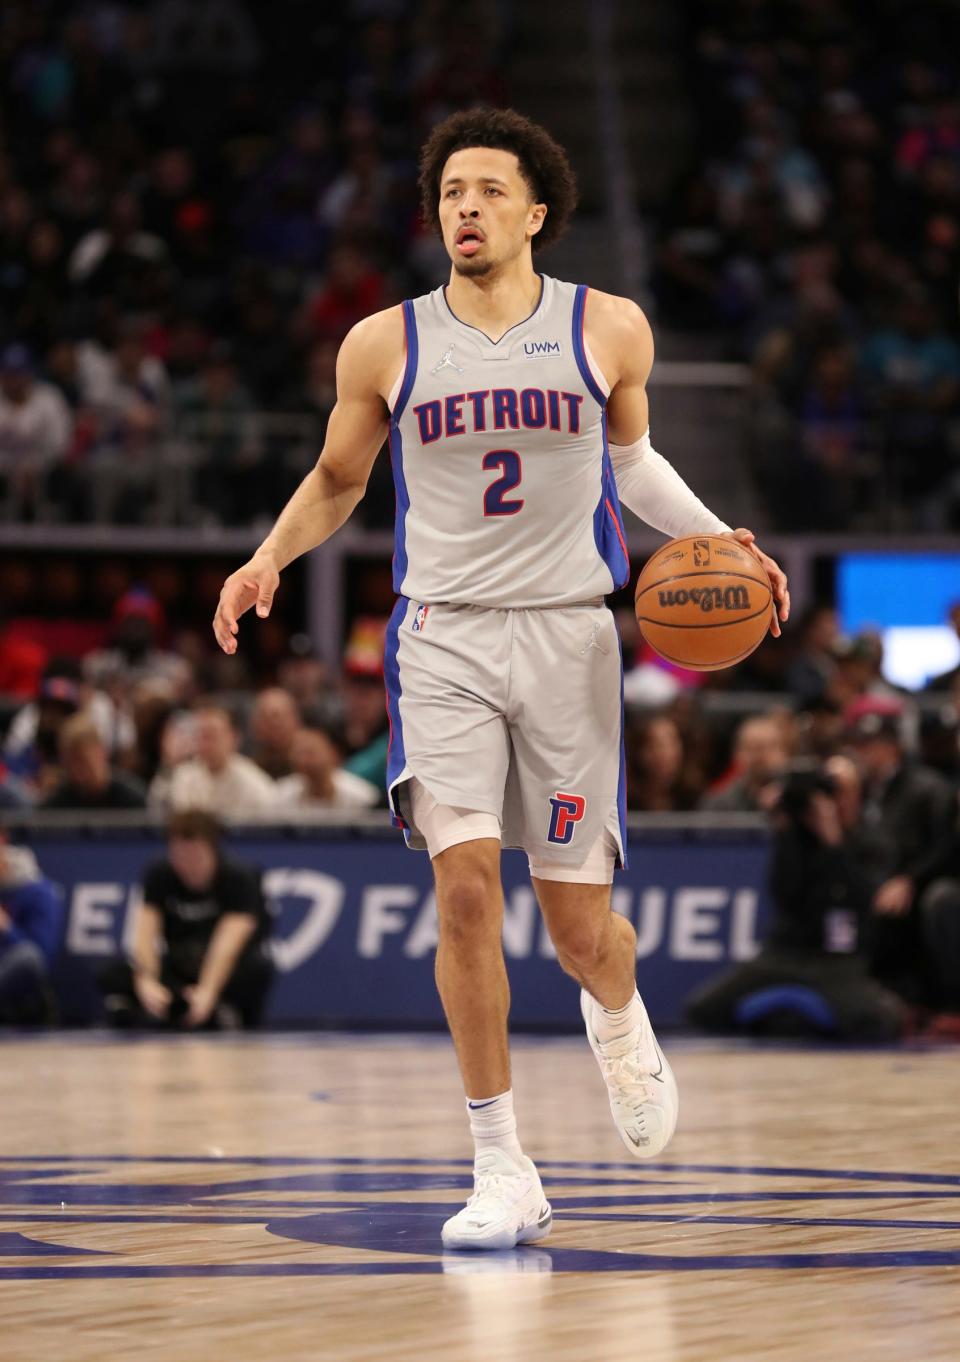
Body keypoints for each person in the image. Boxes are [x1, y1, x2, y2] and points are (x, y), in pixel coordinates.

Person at [212, 107, 789, 1251]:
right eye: (447, 194)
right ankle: (500, 1164)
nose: (462, 208)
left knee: (582, 935)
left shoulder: (609, 328)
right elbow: (337, 477)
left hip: (571, 637)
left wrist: (729, 537)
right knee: (466, 889)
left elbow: (632, 465)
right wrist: (268, 557)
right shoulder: (385, 342)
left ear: (535, 212)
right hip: (444, 638)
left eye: (485, 190)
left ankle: (616, 1019)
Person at [686, 757, 904, 1041]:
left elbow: (863, 900)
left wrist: (833, 840)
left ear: (857, 795)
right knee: (702, 1010)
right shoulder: (794, 838)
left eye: (840, 790)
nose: (833, 800)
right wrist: (784, 826)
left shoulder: (872, 843)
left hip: (837, 961)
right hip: (783, 957)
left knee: (876, 1022)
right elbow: (785, 896)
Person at [99, 809, 273, 1030]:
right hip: (178, 968)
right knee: (112, 973)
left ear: (213, 850)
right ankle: (148, 1010)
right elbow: (144, 936)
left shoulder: (239, 878)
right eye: (179, 856)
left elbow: (227, 947)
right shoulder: (159, 875)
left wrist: (208, 991)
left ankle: (224, 1013)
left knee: (259, 968)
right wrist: (146, 981)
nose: (186, 865)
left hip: (221, 971)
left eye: (195, 857)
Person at [153, 705, 276, 817]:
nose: (205, 745)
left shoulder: (254, 783)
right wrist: (168, 764)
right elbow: (157, 814)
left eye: (212, 736)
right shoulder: (184, 776)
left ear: (234, 738)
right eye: (200, 736)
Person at [0, 830, 63, 1024]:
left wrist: (6, 928)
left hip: (12, 969)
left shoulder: (38, 891)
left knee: (28, 957)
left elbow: (40, 954)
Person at [41, 714, 147, 810]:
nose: (78, 772)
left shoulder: (134, 801)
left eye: (83, 762)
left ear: (102, 753)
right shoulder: (54, 809)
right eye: (70, 764)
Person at [274, 723, 380, 813]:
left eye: (310, 753)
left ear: (332, 753)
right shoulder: (281, 796)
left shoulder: (362, 797)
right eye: (298, 753)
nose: (303, 761)